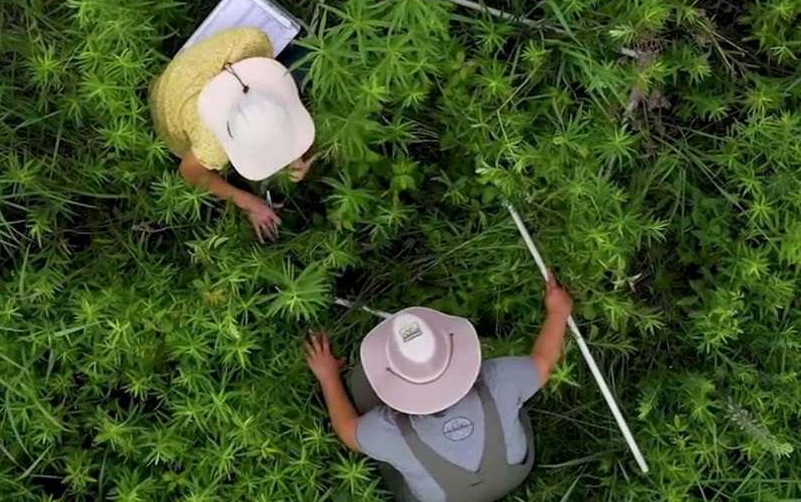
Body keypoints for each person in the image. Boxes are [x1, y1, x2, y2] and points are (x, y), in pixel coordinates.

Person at [304, 270, 573, 502]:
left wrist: (328, 377)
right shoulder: (497, 378)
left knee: (361, 383)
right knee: (511, 395)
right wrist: (558, 312)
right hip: (513, 472)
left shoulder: (390, 431)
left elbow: (349, 433)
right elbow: (544, 362)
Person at [149, 27, 317, 242]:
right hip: (164, 98)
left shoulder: (253, 42)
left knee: (303, 60)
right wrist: (249, 202)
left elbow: (262, 109)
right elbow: (189, 171)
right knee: (300, 64)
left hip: (188, 67)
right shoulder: (213, 144)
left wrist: (292, 153)